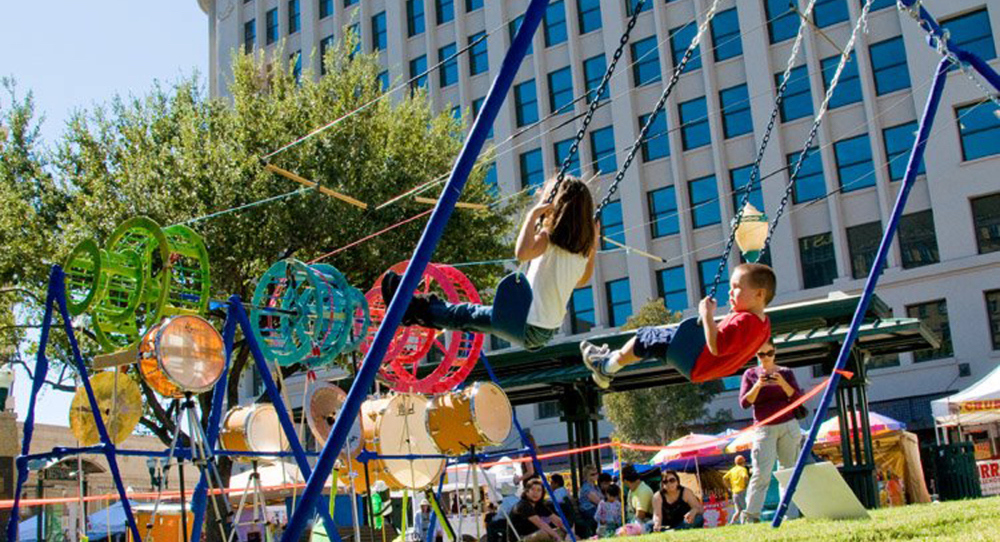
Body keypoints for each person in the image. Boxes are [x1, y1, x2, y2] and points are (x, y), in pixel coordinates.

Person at [382, 176, 598, 351]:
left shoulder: (548, 241)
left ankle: (410, 310)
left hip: (526, 324)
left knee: (464, 315)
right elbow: (582, 281)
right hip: (544, 331)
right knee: (467, 316)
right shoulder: (579, 254)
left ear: (555, 209)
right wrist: (593, 245)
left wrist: (532, 216)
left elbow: (521, 253)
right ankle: (415, 309)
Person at [580, 263, 775, 388]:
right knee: (659, 336)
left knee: (645, 338)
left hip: (697, 359)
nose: (730, 292)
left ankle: (605, 367)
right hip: (704, 363)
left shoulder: (746, 321)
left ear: (759, 294)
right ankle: (610, 361)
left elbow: (717, 347)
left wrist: (706, 315)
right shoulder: (763, 324)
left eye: (737, 288)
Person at [739, 337, 804, 523]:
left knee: (788, 471)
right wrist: (758, 385)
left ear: (775, 352)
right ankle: (751, 516)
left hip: (788, 425)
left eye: (769, 353)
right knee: (761, 473)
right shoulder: (750, 374)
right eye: (761, 354)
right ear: (756, 355)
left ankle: (789, 515)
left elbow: (798, 397)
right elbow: (744, 402)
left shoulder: (786, 372)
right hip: (764, 428)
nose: (766, 357)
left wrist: (782, 383)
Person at [508, 477, 567, 542]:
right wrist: (558, 538)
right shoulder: (523, 505)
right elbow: (541, 524)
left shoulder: (539, 505)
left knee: (561, 531)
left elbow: (557, 520)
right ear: (527, 492)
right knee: (545, 533)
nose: (535, 493)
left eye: (539, 490)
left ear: (542, 493)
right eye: (532, 490)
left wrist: (569, 532)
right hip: (520, 538)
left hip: (533, 535)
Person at [722, 455, 750, 525]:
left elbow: (724, 478)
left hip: (734, 492)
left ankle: (731, 523)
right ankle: (744, 523)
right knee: (745, 509)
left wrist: (729, 487)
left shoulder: (732, 470)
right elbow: (745, 477)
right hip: (742, 491)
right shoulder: (743, 469)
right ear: (743, 462)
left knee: (738, 510)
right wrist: (747, 485)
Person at [577, 466, 602, 534]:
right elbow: (598, 501)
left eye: (596, 473)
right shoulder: (586, 488)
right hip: (589, 511)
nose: (595, 476)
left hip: (594, 509)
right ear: (586, 476)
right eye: (592, 474)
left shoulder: (595, 486)